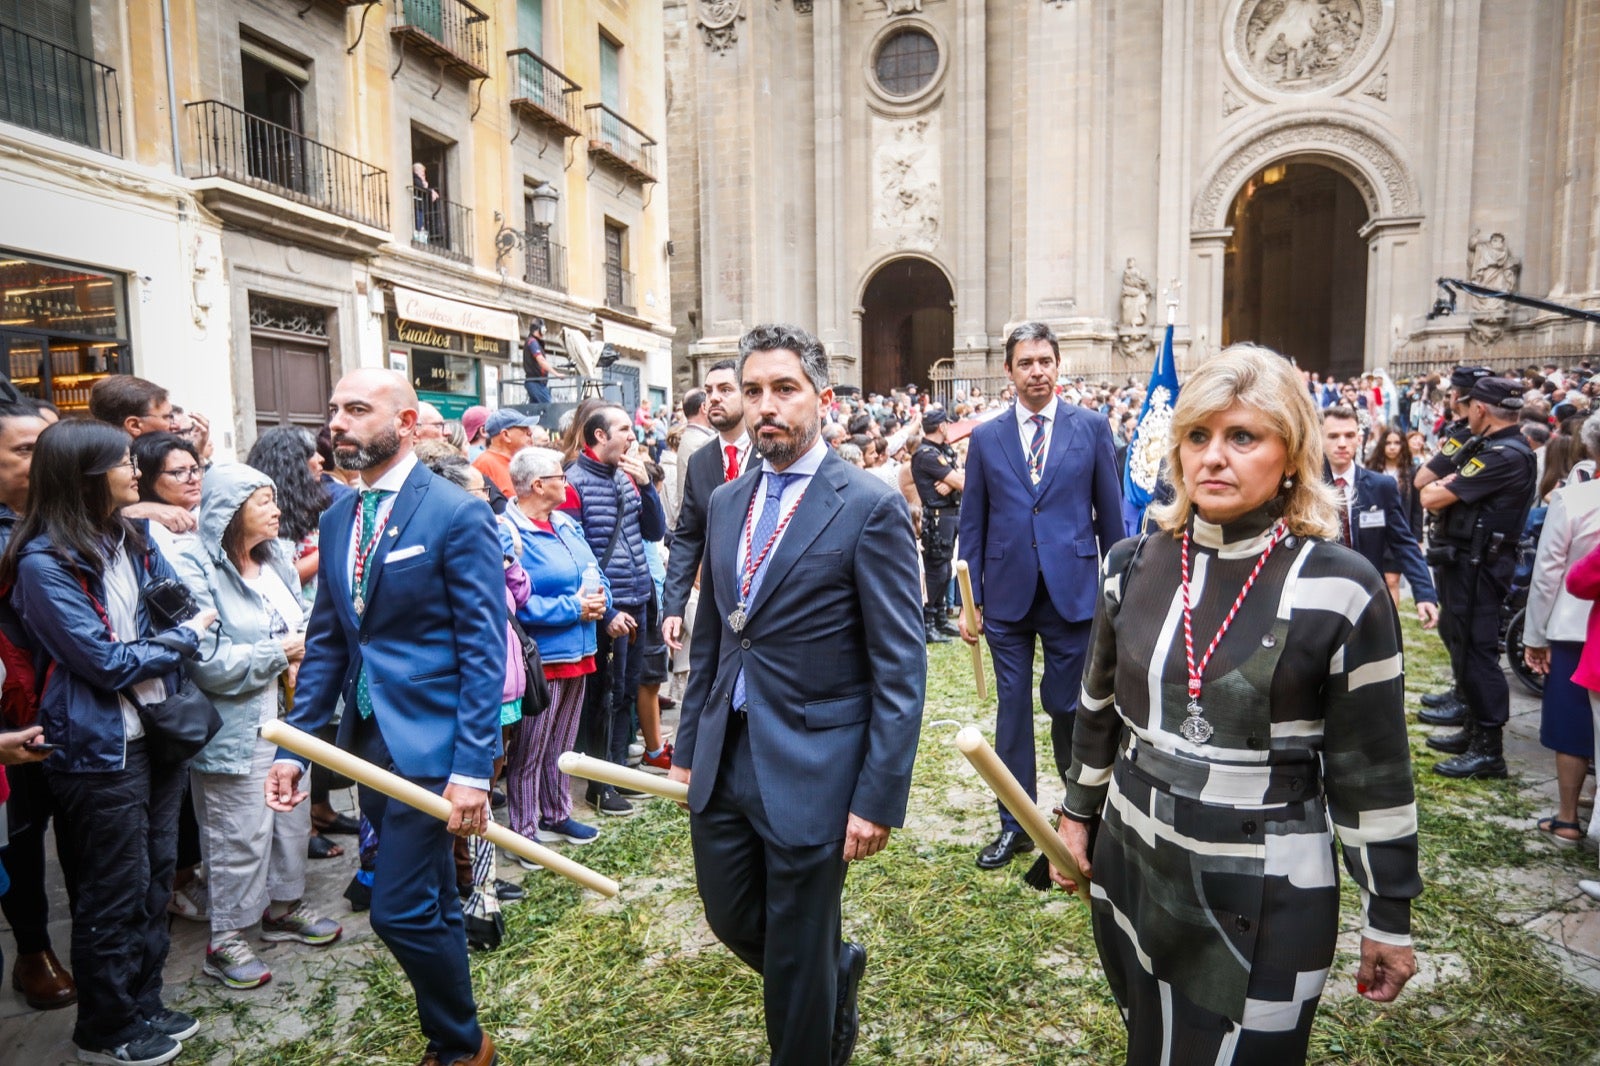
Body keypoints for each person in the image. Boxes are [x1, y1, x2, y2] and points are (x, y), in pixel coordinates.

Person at [1052, 344, 1420, 1064]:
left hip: (1269, 881)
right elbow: (1097, 710)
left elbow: (1372, 766)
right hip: (1133, 854)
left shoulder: (1341, 586)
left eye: (1242, 436)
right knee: (1152, 1041)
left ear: (1291, 454)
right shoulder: (1131, 563)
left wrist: (1390, 913)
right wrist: (1075, 817)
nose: (1213, 457)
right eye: (1198, 436)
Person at [667, 324, 925, 1066]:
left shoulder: (867, 505)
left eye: (784, 389)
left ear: (823, 398)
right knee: (732, 916)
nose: (765, 406)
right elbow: (715, 636)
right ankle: (830, 969)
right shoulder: (724, 502)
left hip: (818, 760)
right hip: (726, 754)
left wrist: (878, 796)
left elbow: (900, 665)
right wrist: (687, 750)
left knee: (795, 946)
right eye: (752, 391)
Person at [264, 369, 505, 1066]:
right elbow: (333, 643)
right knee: (428, 897)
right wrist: (295, 751)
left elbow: (483, 651)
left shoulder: (456, 513)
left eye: (358, 409)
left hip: (433, 748)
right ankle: (453, 1037)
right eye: (334, 408)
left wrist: (471, 770)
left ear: (404, 425)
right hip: (366, 742)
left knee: (396, 909)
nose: (336, 420)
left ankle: (464, 1044)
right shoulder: (339, 516)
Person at [2, 419, 218, 1066]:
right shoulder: (43, 562)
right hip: (99, 748)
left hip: (157, 733)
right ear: (86, 475)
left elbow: (167, 611)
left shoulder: (131, 534)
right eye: (124, 460)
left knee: (154, 880)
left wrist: (180, 627)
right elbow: (104, 661)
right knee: (111, 892)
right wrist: (182, 639)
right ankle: (104, 1030)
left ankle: (143, 1004)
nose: (135, 469)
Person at [956, 321, 1124, 871]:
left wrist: (1120, 594)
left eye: (1045, 361)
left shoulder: (1091, 428)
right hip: (1005, 596)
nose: (1037, 372)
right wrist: (969, 600)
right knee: (1012, 711)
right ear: (1009, 372)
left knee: (1067, 706)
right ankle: (1017, 825)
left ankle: (1080, 816)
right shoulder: (986, 438)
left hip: (1072, 594)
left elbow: (1113, 519)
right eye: (1025, 363)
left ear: (1059, 365)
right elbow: (973, 522)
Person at [168, 464, 341, 990]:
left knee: (289, 822)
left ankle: (283, 908)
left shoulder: (278, 557)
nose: (276, 508)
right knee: (236, 833)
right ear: (229, 511)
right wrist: (281, 651)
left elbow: (305, 617)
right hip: (236, 724)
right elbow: (207, 660)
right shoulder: (192, 564)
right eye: (262, 500)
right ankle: (226, 939)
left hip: (293, 715)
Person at [246, 427, 357, 859]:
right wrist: (334, 548)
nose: (320, 461)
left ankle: (323, 809)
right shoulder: (270, 511)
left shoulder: (322, 497)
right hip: (294, 630)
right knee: (306, 722)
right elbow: (292, 570)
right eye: (311, 455)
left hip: (318, 627)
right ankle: (308, 821)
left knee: (325, 730)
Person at [1420, 376, 1539, 778]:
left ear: (1481, 410)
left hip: (1481, 567)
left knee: (1478, 652)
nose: (1467, 410)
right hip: (1469, 561)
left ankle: (1489, 748)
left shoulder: (1504, 455)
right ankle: (1473, 729)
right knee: (1462, 641)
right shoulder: (1498, 449)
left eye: (1471, 405)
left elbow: (1431, 495)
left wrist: (1446, 484)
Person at [0, 398, 77, 1012]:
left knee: (84, 834)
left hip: (77, 702)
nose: (42, 460)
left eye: (48, 446)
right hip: (13, 713)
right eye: (26, 449)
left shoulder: (77, 518)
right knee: (21, 842)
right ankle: (31, 951)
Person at [500, 447, 609, 847]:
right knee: (529, 749)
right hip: (541, 659)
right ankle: (524, 832)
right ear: (537, 485)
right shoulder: (509, 531)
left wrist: (603, 601)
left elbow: (592, 569)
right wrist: (573, 608)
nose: (567, 482)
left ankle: (557, 814)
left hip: (579, 651)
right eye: (560, 477)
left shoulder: (565, 523)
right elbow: (518, 602)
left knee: (561, 745)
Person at [562, 408, 665, 814]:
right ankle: (599, 784)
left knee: (625, 690)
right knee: (604, 695)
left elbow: (654, 531)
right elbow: (572, 556)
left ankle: (620, 773)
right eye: (625, 428)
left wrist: (647, 486)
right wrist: (604, 613)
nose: (633, 434)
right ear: (600, 435)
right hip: (609, 606)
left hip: (637, 597)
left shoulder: (627, 477)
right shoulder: (573, 482)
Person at [1522, 415, 1600, 846]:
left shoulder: (1575, 499)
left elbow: (1547, 571)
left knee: (1571, 724)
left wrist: (1534, 635)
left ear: (1590, 449)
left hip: (1575, 625)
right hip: (1584, 626)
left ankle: (1568, 817)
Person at [1412, 365, 1493, 718]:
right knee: (1453, 627)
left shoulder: (1474, 439)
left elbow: (1424, 482)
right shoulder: (1463, 432)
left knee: (1467, 634)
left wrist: (1444, 484)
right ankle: (1462, 693)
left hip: (1474, 549)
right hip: (1455, 541)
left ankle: (1469, 704)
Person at [662, 360, 751, 653]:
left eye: (726, 389)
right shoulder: (701, 461)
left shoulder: (771, 454)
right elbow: (687, 536)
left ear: (748, 394)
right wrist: (673, 606)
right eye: (709, 390)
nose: (713, 397)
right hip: (716, 607)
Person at [1320, 408, 1439, 627]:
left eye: (1349, 435)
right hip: (1321, 597)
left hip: (1368, 593)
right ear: (1320, 438)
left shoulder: (1380, 486)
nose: (1342, 443)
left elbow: (1403, 542)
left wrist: (1424, 593)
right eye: (1333, 436)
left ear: (1359, 438)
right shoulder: (1308, 488)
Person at [910, 409, 964, 645]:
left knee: (945, 569)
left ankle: (940, 617)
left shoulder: (943, 451)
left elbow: (960, 478)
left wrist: (951, 482)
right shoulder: (927, 454)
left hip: (950, 514)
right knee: (937, 570)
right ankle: (928, 622)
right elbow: (962, 481)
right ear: (941, 427)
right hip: (938, 516)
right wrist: (955, 481)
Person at [1363, 423, 1428, 608]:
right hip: (1373, 532)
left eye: (1397, 443)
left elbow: (1417, 508)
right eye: (1388, 442)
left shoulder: (1411, 473)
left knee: (1392, 581)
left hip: (1398, 533)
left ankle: (1391, 622)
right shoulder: (1370, 470)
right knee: (1373, 581)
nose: (1392, 447)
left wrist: (1417, 538)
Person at [473, 409, 541, 499]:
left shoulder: (521, 461)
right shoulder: (483, 464)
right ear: (505, 435)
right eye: (523, 428)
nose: (530, 432)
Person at [522, 319, 554, 405]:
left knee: (535, 411)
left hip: (537, 383)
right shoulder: (532, 342)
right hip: (535, 383)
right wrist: (556, 373)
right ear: (538, 330)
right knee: (549, 407)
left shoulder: (534, 342)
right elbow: (541, 360)